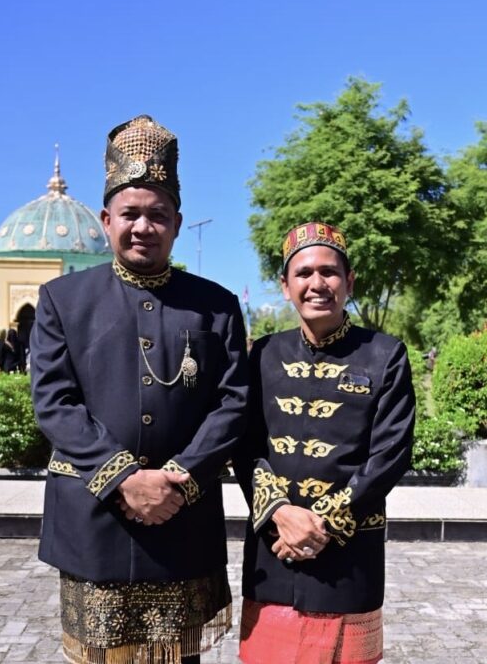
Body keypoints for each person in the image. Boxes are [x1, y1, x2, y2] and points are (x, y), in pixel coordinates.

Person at [30, 115, 248, 664]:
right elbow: (55, 402)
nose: (142, 227)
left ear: (177, 223)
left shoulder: (216, 304)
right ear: (106, 221)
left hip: (182, 512)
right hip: (95, 514)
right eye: (130, 214)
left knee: (179, 658)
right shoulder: (63, 299)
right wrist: (123, 478)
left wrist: (176, 477)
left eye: (157, 215)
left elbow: (233, 401)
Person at [235, 222, 416, 664]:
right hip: (272, 551)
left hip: (347, 558)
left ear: (349, 281)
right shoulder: (262, 354)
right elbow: (244, 445)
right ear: (285, 286)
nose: (318, 284)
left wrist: (321, 524)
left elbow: (389, 454)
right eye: (304, 273)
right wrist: (280, 514)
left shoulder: (385, 354)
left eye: (330, 273)